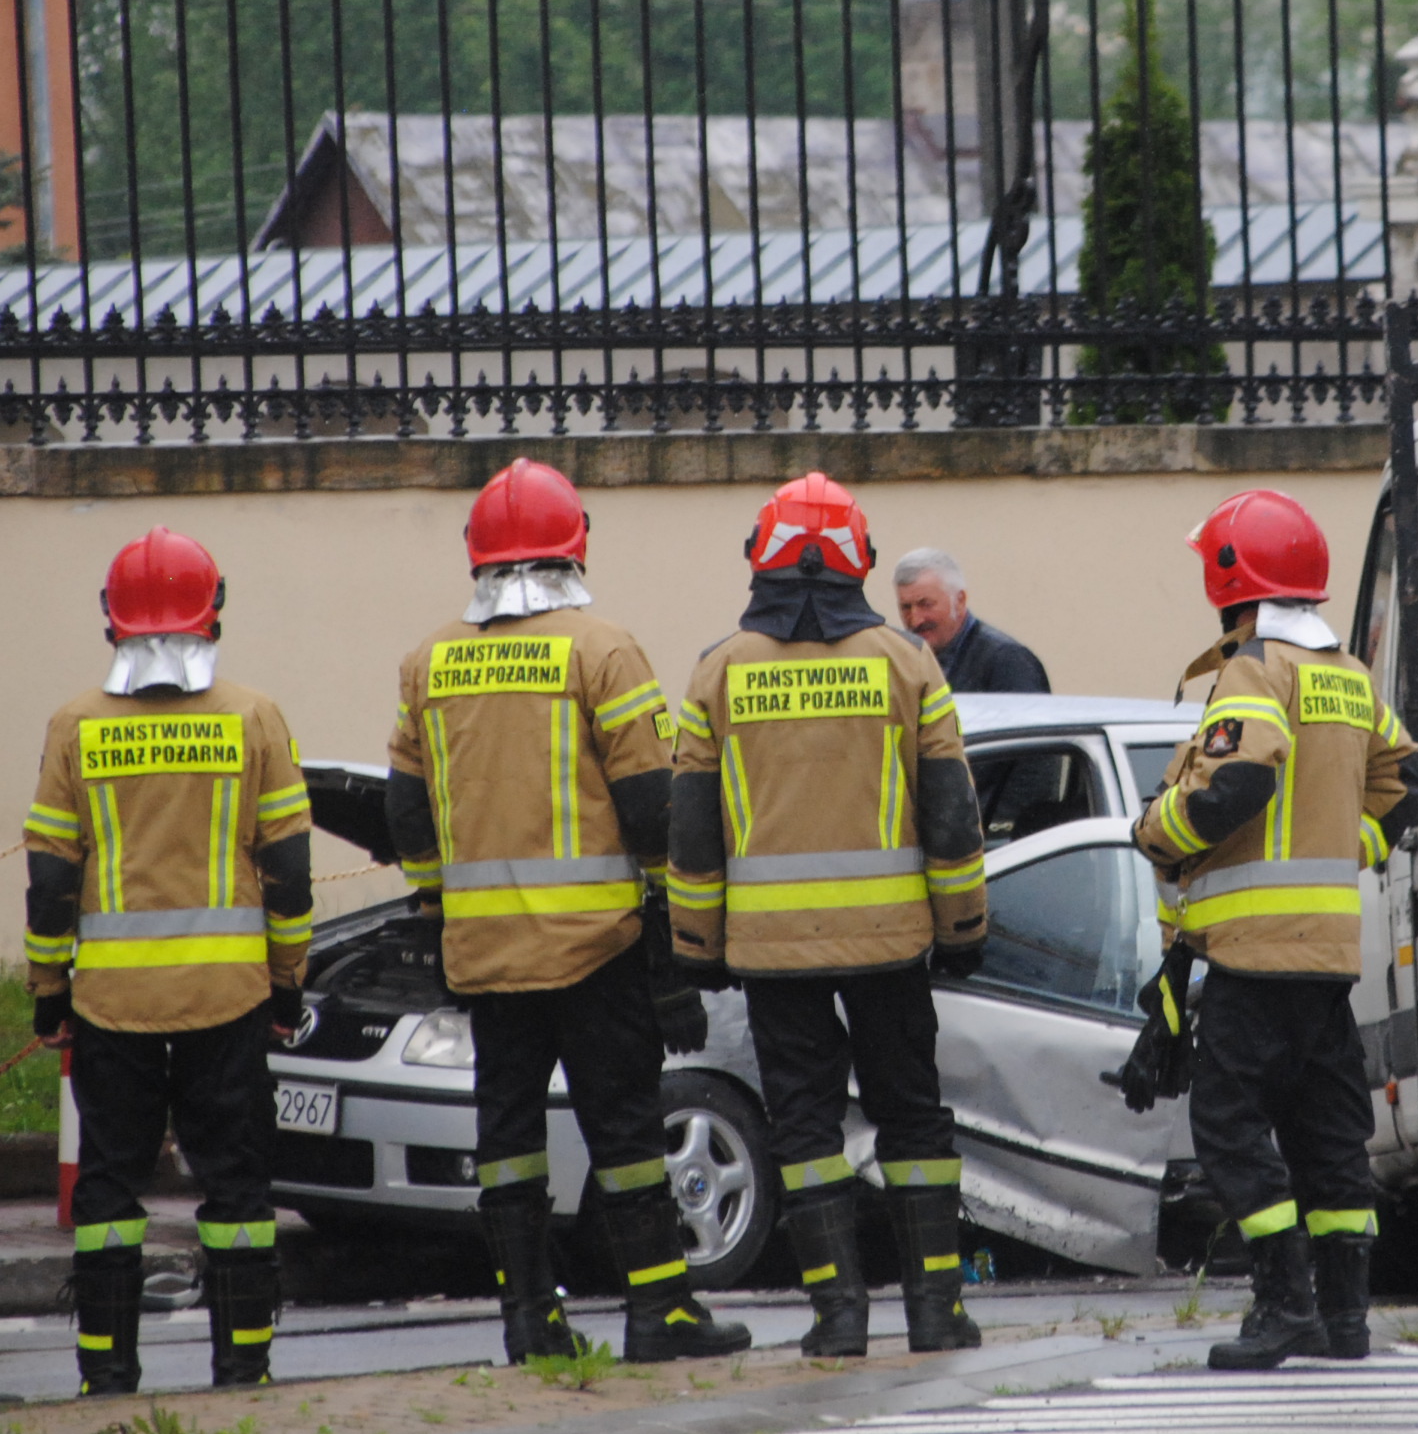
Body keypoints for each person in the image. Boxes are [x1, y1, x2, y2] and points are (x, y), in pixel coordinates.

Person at [384, 459, 749, 1366]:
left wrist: (437, 902)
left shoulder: (428, 661)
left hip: (484, 952)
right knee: (623, 1132)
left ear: (476, 555)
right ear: (574, 542)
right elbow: (649, 808)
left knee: (505, 1140)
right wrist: (672, 919)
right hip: (597, 950)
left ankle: (527, 1322)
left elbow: (405, 811)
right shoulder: (603, 649)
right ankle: (657, 1314)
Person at [669, 473, 990, 1357]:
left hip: (773, 955)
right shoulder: (906, 661)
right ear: (860, 557)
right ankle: (936, 1311)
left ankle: (836, 1318)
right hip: (892, 944)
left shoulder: (718, 670)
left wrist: (697, 948)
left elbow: (691, 828)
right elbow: (953, 814)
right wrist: (962, 927)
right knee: (913, 1120)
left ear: (760, 557)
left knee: (805, 1129)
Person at [1132, 489, 1418, 1371]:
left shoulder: (1258, 668)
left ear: (1233, 580)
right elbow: (1401, 789)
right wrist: (1345, 848)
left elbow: (1239, 781)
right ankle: (1343, 1319)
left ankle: (1283, 1304)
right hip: (1327, 960)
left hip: (1254, 959)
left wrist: (1158, 832)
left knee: (1227, 1129)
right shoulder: (1348, 675)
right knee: (1329, 1136)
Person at [23, 528, 313, 1395]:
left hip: (110, 1005)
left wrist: (48, 991)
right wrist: (287, 980)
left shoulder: (75, 725)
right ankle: (243, 1363)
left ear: (111, 620)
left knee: (108, 1190)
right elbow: (289, 870)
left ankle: (107, 1375)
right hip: (229, 998)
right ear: (212, 613)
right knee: (235, 1188)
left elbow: (50, 881)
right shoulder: (254, 717)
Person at [892, 548, 1051, 694]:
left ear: (959, 601)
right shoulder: (905, 662)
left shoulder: (1007, 662)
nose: (915, 620)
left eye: (926, 605)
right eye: (906, 607)